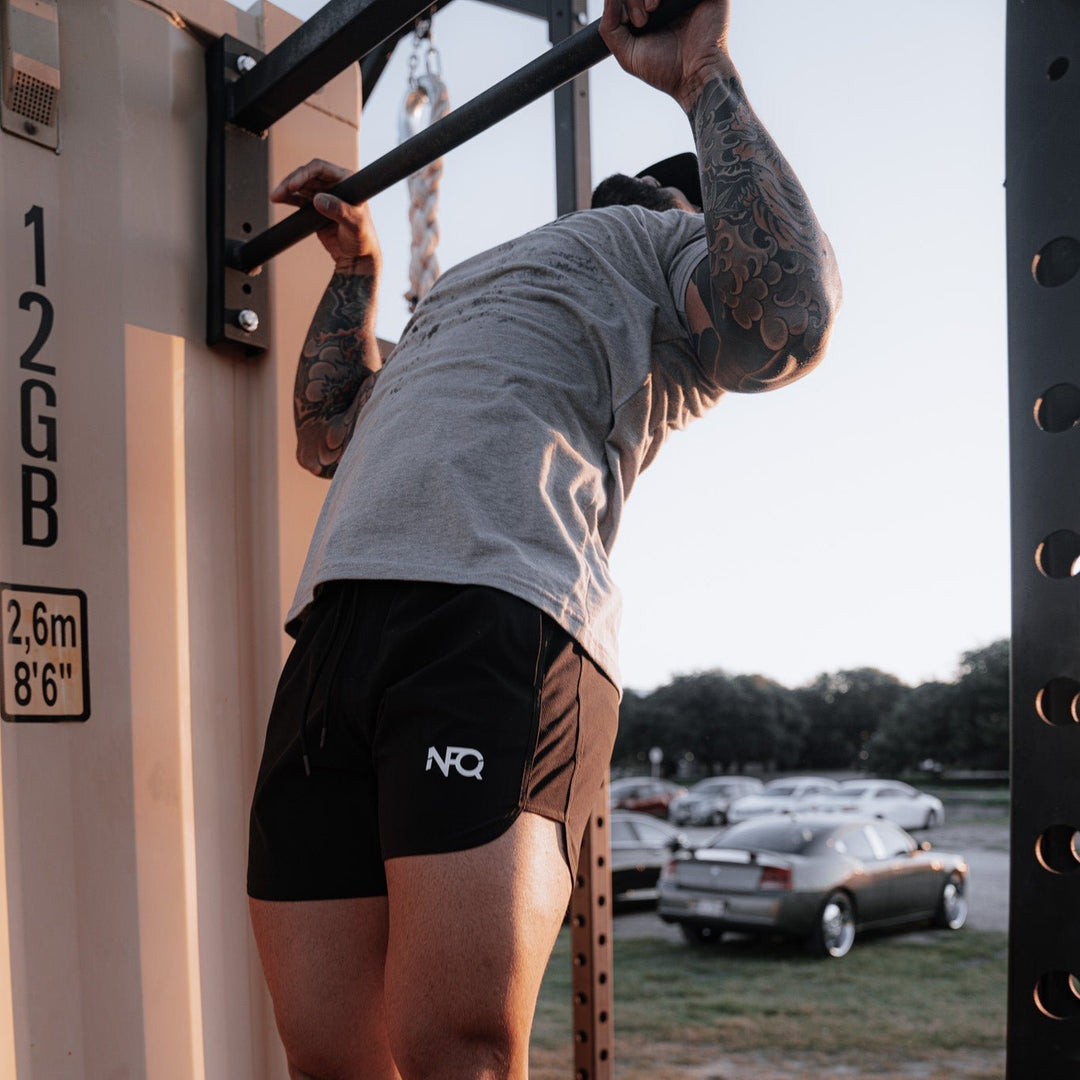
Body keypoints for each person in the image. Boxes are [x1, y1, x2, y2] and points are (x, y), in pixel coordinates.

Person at [247, 0, 841, 1077]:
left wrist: (702, 75)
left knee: (453, 1047)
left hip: (493, 614)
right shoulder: (468, 290)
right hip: (333, 625)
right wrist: (355, 273)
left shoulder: (667, 249)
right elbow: (328, 435)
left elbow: (786, 316)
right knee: (328, 1053)